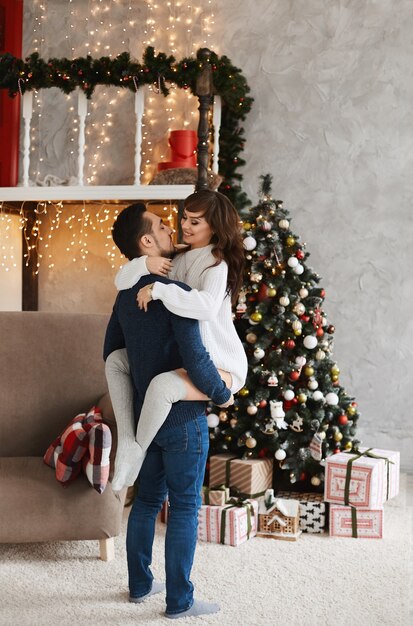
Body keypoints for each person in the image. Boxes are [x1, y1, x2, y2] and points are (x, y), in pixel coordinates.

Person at [104, 202, 232, 618]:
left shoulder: (125, 294)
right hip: (182, 419)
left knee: (145, 503)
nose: (171, 228)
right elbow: (195, 356)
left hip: (147, 415)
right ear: (147, 241)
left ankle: (140, 586)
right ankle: (180, 601)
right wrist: (220, 393)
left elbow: (112, 351)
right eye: (161, 226)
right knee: (184, 507)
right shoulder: (176, 289)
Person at [109, 189, 248, 491]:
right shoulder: (180, 257)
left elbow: (206, 307)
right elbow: (121, 280)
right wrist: (144, 266)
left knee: (162, 386)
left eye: (195, 222)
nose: (183, 226)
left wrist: (159, 290)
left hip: (222, 364)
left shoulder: (216, 264)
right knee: (116, 360)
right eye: (184, 217)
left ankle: (136, 450)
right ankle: (128, 442)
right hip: (194, 359)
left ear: (213, 227)